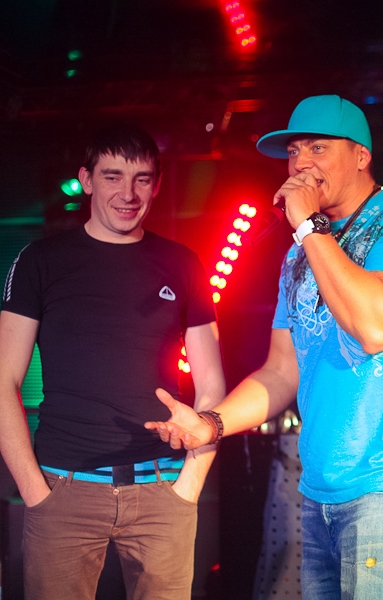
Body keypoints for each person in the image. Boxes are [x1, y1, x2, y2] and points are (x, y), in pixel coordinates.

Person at [147, 94, 383, 599]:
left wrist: (309, 227)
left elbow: (376, 328)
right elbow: (280, 372)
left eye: (317, 147)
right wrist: (212, 423)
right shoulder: (300, 254)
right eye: (293, 152)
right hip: (318, 489)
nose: (301, 164)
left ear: (362, 155)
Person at [0, 124, 225, 600]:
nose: (128, 193)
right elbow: (3, 381)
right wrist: (35, 492)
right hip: (62, 491)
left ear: (157, 185)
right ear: (86, 179)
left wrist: (189, 485)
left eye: (142, 179)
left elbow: (212, 387)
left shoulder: (183, 263)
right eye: (112, 176)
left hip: (163, 490)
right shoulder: (40, 261)